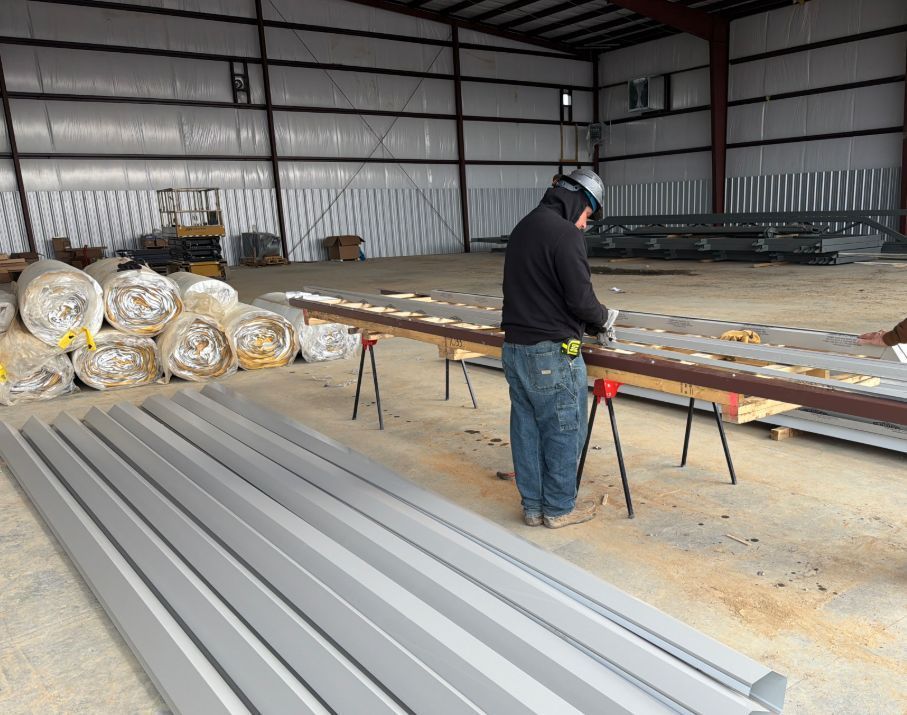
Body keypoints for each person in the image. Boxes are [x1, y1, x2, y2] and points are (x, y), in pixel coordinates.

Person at [501, 168, 611, 529]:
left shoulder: (524, 227)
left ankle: (533, 507)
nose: (583, 225)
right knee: (563, 429)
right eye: (586, 215)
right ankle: (560, 509)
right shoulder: (564, 234)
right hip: (551, 353)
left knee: (527, 429)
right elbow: (580, 299)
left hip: (516, 348)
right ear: (578, 201)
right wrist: (603, 319)